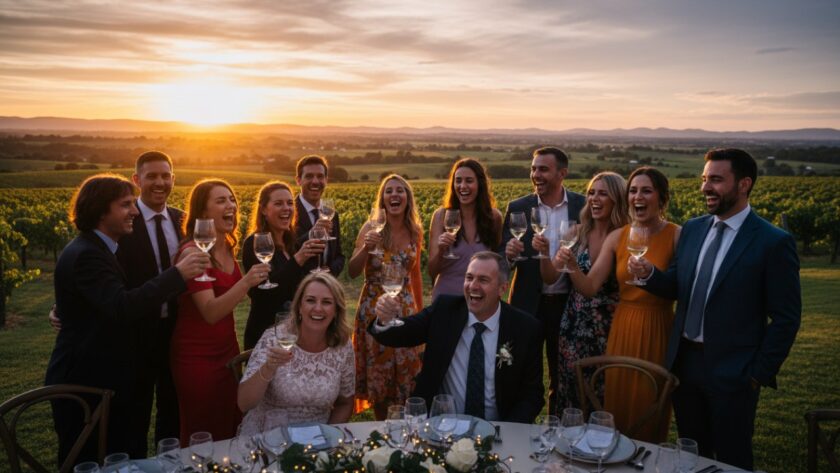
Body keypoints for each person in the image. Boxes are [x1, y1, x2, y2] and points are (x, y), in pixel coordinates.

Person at [629, 149, 801, 469]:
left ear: (744, 184)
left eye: (717, 180)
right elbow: (680, 286)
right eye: (705, 179)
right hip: (685, 363)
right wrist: (650, 275)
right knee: (693, 453)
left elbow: (787, 318)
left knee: (733, 458)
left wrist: (757, 374)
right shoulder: (693, 228)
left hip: (735, 372)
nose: (706, 187)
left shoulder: (772, 242)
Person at [45, 174, 209, 466]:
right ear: (99, 210)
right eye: (125, 205)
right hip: (86, 382)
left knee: (121, 453)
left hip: (108, 375)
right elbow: (121, 305)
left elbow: (101, 298)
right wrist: (177, 274)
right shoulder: (88, 255)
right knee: (89, 460)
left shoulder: (99, 248)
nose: (135, 211)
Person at [554, 166, 679, 443]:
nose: (638, 196)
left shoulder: (677, 235)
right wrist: (570, 264)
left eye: (646, 190)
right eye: (633, 190)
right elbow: (588, 287)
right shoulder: (618, 237)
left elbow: (682, 287)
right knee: (614, 404)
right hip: (621, 328)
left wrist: (651, 276)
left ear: (662, 197)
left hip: (658, 328)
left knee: (649, 407)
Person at [371, 251, 544, 423]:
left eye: (483, 280)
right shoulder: (445, 311)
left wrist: (506, 431)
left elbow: (532, 395)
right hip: (443, 427)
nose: (473, 286)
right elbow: (400, 334)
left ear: (502, 288)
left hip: (499, 429)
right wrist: (384, 319)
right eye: (469, 278)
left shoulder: (525, 328)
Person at [170, 179, 270, 444]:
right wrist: (247, 281)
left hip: (227, 350)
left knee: (230, 425)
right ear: (202, 214)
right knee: (203, 431)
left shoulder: (226, 244)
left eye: (232, 199)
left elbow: (232, 295)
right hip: (197, 356)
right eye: (221, 200)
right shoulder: (192, 253)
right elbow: (211, 312)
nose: (232, 206)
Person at [500, 146, 585, 415]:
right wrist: (509, 255)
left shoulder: (582, 206)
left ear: (562, 173)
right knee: (521, 370)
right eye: (533, 168)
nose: (536, 174)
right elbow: (504, 261)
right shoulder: (518, 208)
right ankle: (518, 425)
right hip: (526, 302)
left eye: (543, 169)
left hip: (568, 303)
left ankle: (557, 426)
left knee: (563, 375)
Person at [533, 172, 629, 410]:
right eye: (591, 193)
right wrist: (544, 253)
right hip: (574, 326)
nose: (595, 199)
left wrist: (573, 266)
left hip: (609, 327)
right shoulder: (576, 233)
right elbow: (550, 276)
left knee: (603, 392)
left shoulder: (625, 237)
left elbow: (590, 288)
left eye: (603, 193)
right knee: (570, 387)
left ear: (617, 199)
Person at [237, 272, 355, 434]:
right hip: (267, 435)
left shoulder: (343, 346)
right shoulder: (274, 338)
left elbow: (345, 403)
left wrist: (328, 435)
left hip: (316, 439)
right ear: (299, 306)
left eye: (327, 302)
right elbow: (244, 403)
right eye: (310, 300)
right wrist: (268, 368)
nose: (318, 308)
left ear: (336, 311)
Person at [348, 174, 424, 420]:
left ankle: (404, 432)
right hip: (373, 310)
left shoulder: (415, 231)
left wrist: (422, 317)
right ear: (383, 199)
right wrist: (365, 248)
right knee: (379, 379)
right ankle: (382, 430)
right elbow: (352, 271)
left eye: (400, 190)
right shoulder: (371, 229)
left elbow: (415, 276)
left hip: (405, 310)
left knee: (407, 377)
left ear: (407, 198)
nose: (394, 195)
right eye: (389, 191)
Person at [241, 181, 326, 350]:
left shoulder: (292, 242)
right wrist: (298, 260)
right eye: (278, 203)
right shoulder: (255, 243)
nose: (286, 208)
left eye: (289, 203)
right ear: (264, 210)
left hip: (294, 333)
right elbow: (265, 296)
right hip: (266, 334)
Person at [428, 158, 503, 299]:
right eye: (458, 181)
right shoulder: (441, 216)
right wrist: (441, 250)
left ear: (480, 184)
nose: (462, 186)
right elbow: (432, 271)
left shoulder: (494, 217)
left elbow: (498, 263)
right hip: (446, 298)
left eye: (469, 181)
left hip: (481, 299)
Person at [293, 155, 345, 276]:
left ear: (326, 180)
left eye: (320, 176)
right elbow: (288, 251)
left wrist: (328, 274)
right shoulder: (289, 212)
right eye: (309, 176)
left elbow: (339, 256)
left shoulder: (331, 214)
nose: (315, 181)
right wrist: (312, 234)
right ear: (298, 180)